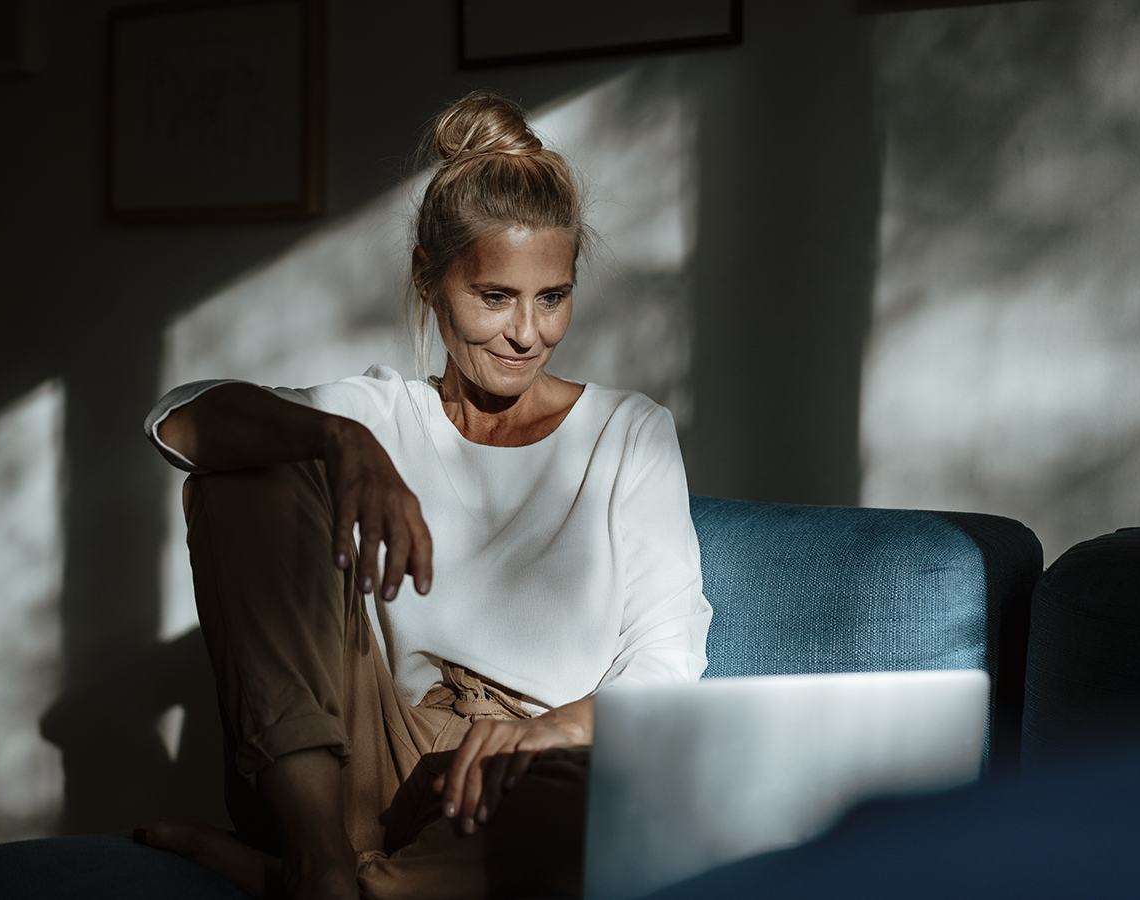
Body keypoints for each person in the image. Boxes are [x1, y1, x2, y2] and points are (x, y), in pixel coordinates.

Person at [136, 91, 711, 900]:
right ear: (428, 277)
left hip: (522, 770)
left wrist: (555, 728)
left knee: (619, 807)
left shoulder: (629, 434)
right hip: (351, 769)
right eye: (496, 297)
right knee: (248, 474)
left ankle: (315, 885)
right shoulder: (380, 413)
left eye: (553, 297)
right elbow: (179, 419)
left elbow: (669, 648)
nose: (527, 335)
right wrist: (337, 441)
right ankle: (316, 854)